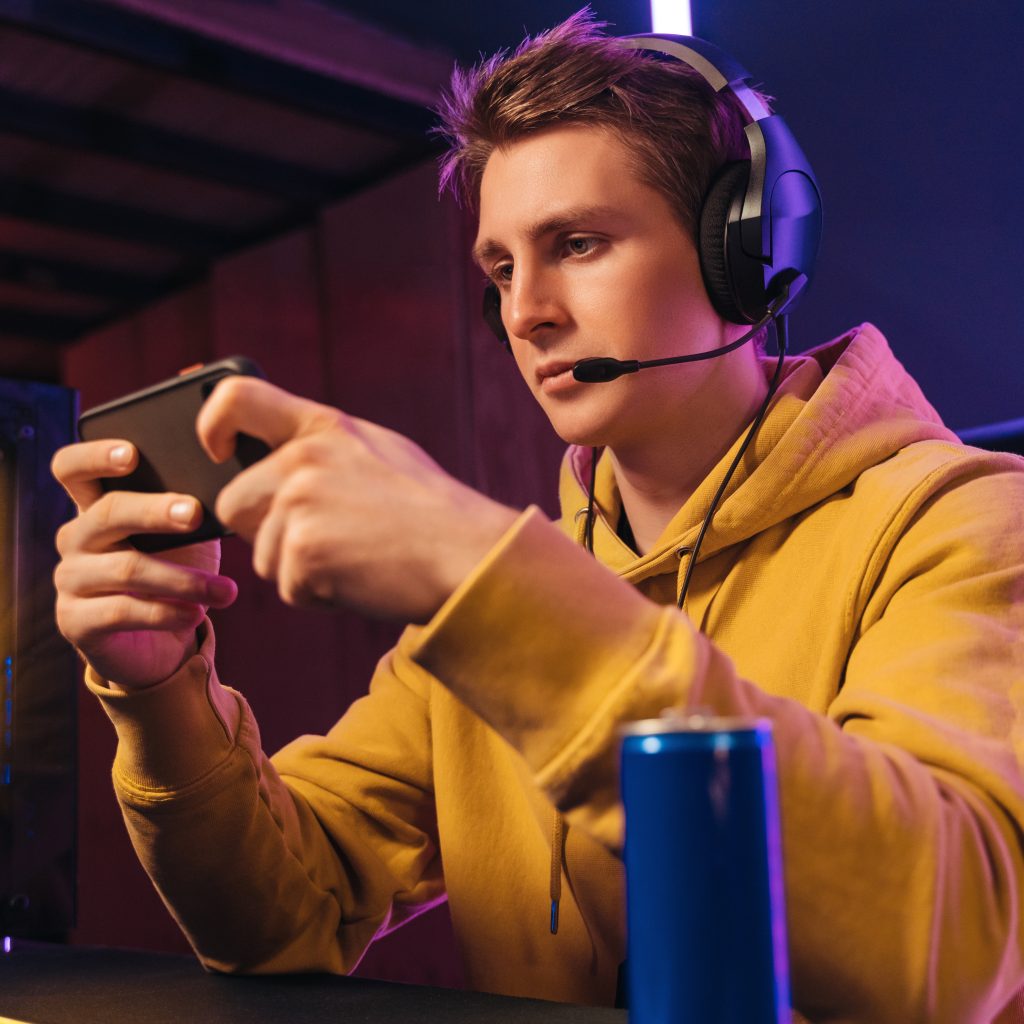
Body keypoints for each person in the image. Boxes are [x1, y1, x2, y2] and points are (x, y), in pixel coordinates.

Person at [51, 11, 1024, 1023]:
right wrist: (160, 686)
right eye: (502, 270)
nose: (524, 312)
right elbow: (279, 914)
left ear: (743, 249)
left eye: (578, 243)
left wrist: (486, 578)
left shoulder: (959, 521)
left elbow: (947, 951)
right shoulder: (498, 597)